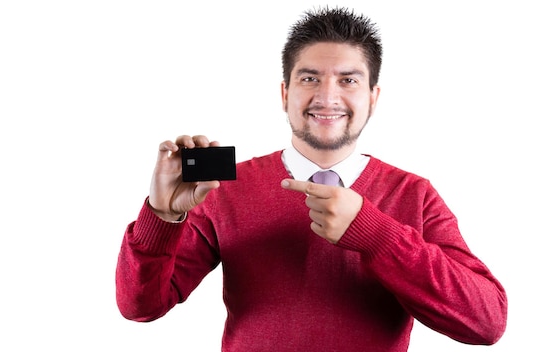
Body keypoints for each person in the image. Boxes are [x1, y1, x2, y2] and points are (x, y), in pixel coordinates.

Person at [115, 6, 507, 351]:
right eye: (309, 79)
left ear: (373, 96)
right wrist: (162, 218)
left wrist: (376, 234)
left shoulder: (414, 195)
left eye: (348, 80)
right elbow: (140, 307)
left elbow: (486, 323)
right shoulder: (223, 189)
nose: (327, 96)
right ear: (284, 93)